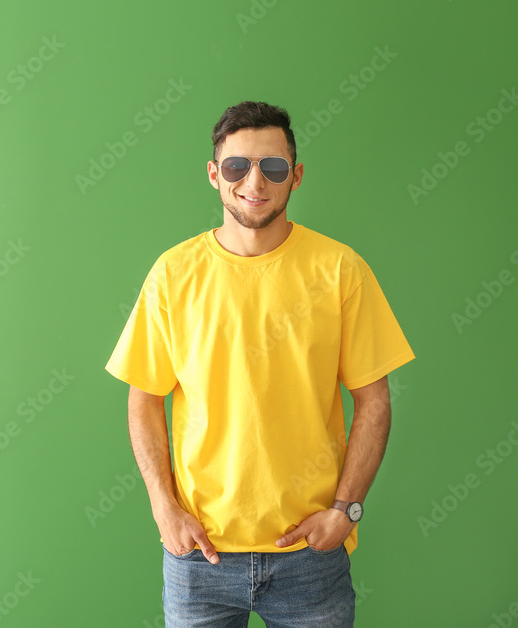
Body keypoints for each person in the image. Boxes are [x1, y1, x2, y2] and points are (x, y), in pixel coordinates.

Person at [104, 100, 415, 627]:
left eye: (272, 166)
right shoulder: (173, 274)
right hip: (199, 554)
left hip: (310, 557)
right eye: (237, 166)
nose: (255, 181)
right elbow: (144, 399)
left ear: (296, 175)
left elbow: (374, 402)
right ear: (214, 174)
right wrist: (163, 507)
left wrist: (346, 511)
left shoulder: (340, 269)